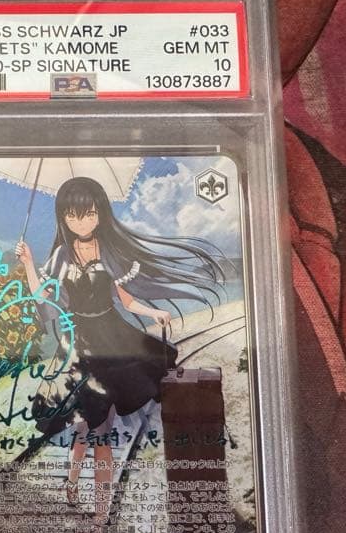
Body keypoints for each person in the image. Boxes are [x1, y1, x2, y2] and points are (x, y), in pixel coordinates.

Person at [15, 175, 223, 505]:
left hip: (112, 338)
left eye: (88, 213)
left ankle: (100, 508)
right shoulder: (62, 255)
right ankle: (73, 482)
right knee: (85, 426)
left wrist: (153, 312)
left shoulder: (108, 250)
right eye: (72, 215)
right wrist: (28, 263)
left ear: (100, 212)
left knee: (102, 427)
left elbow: (125, 300)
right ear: (63, 218)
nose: (81, 221)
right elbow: (43, 295)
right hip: (79, 343)